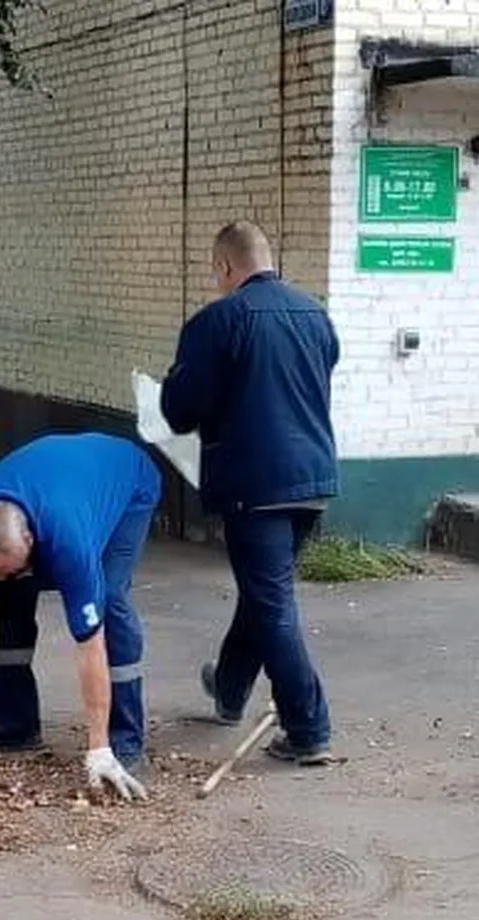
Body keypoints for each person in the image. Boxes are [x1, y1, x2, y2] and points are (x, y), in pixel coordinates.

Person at [159, 221, 340, 766]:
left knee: (272, 601)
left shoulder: (219, 321)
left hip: (253, 482)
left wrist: (177, 387)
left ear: (225, 267)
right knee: (266, 594)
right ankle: (231, 688)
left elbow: (179, 410)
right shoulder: (315, 314)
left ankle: (308, 727)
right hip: (312, 478)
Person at [0, 433, 163, 801]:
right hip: (58, 478)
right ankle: (13, 729)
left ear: (29, 539)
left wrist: (97, 747)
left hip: (128, 481)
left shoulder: (68, 538)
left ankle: (121, 744)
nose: (0, 579)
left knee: (108, 599)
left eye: (8, 569)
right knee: (8, 600)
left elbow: (90, 643)